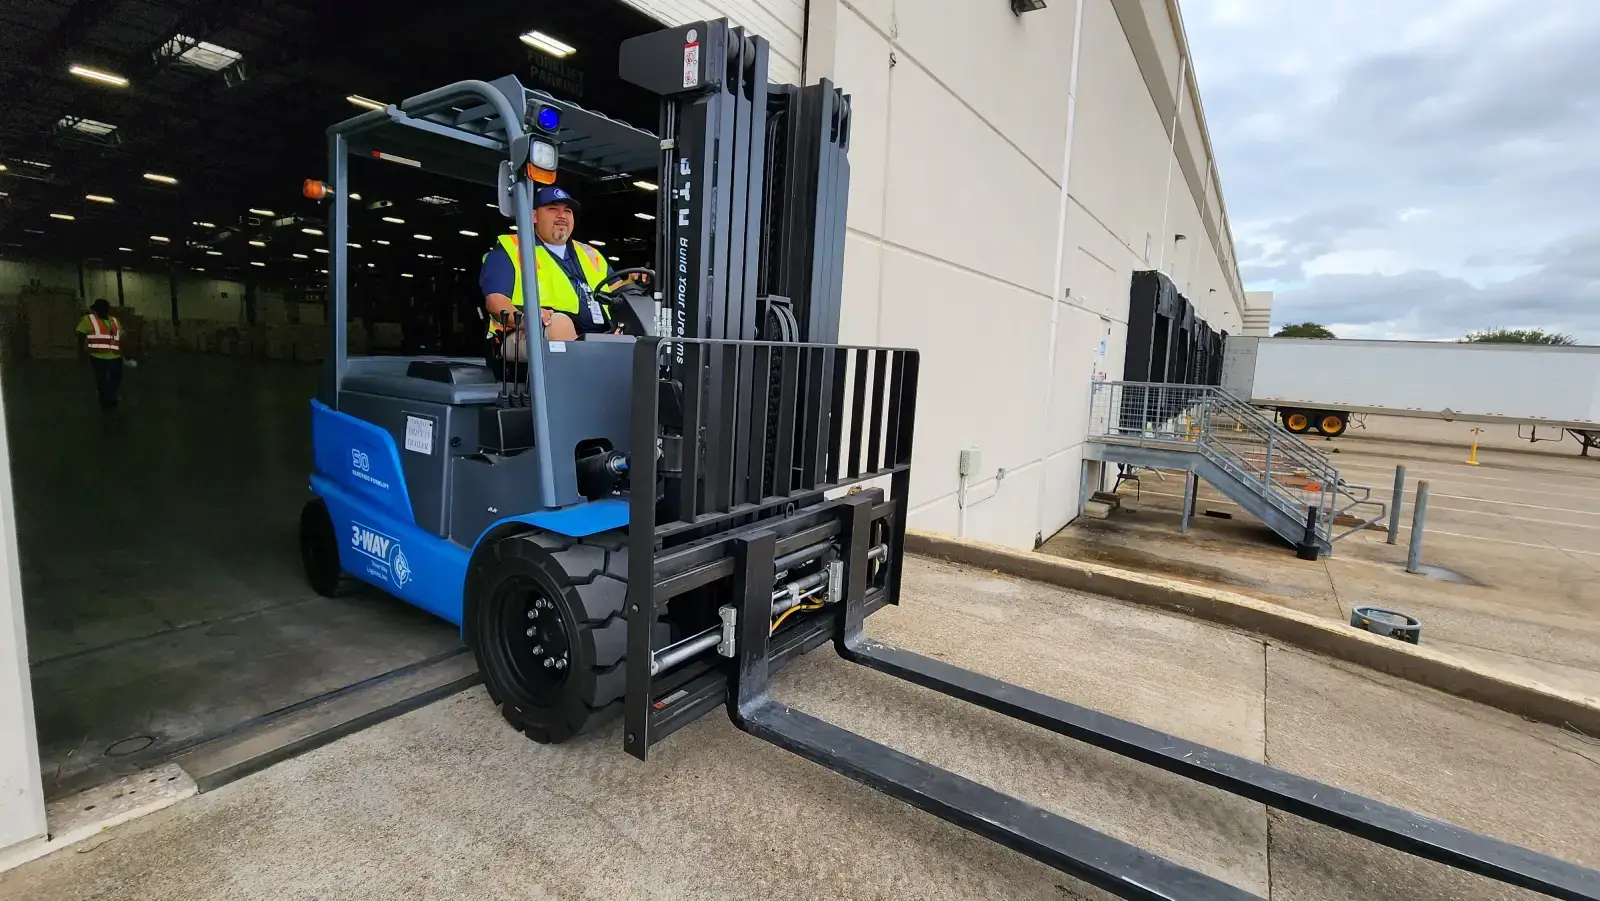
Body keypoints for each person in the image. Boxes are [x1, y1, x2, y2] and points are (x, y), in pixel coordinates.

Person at [479, 185, 613, 372]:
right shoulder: (512, 250)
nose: (562, 216)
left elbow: (617, 289)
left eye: (567, 211)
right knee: (559, 323)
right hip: (524, 331)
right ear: (534, 216)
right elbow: (495, 303)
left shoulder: (590, 254)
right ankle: (574, 393)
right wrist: (528, 319)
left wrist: (634, 281)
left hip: (594, 335)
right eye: (552, 209)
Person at [75, 298, 124, 409]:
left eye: (103, 308)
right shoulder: (88, 320)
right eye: (99, 309)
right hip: (97, 356)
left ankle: (109, 396)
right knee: (102, 380)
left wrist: (125, 351)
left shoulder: (114, 321)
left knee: (117, 378)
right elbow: (81, 335)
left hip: (114, 356)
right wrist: (81, 352)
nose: (101, 311)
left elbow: (121, 337)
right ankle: (105, 401)